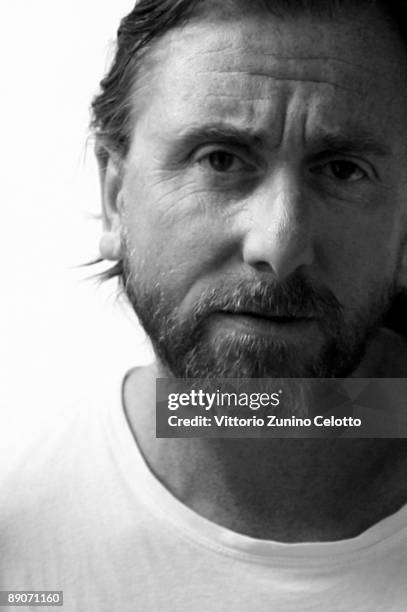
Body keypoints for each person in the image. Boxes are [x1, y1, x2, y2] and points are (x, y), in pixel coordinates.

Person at [2, 0, 407, 609]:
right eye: (219, 160)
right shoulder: (17, 515)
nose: (279, 244)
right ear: (114, 196)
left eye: (343, 170)